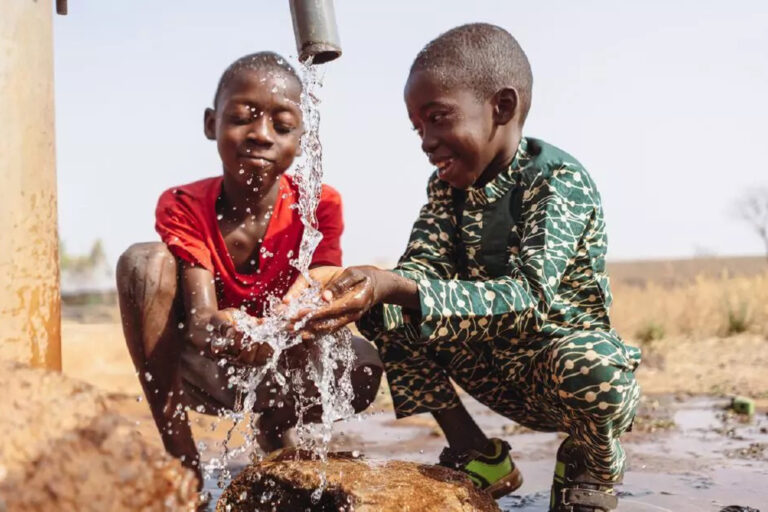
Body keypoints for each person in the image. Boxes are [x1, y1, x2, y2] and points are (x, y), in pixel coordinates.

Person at [287, 24, 641, 511]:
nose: (427, 141)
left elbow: (531, 299)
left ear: (502, 107)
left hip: (556, 370)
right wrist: (351, 285)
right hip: (491, 366)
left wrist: (399, 285)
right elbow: (419, 269)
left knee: (595, 367)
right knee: (385, 309)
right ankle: (477, 451)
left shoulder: (557, 182)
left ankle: (589, 464)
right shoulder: (446, 189)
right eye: (418, 127)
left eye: (438, 118)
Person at [116, 51, 382, 486]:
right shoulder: (184, 204)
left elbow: (320, 284)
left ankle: (276, 430)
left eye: (281, 125)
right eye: (243, 117)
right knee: (142, 262)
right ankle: (183, 462)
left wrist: (283, 324)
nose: (261, 134)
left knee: (364, 365)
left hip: (284, 360)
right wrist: (227, 327)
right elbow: (202, 321)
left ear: (302, 138)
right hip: (208, 366)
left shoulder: (319, 203)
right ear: (210, 124)